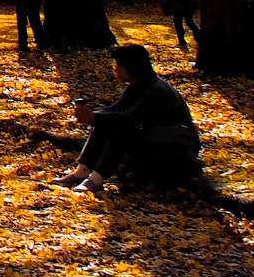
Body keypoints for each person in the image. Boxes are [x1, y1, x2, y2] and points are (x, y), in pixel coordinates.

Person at [55, 42, 204, 191]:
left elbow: (130, 118)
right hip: (156, 142)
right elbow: (114, 109)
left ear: (132, 68)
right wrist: (92, 115)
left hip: (175, 151)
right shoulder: (138, 85)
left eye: (119, 66)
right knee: (107, 123)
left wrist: (95, 117)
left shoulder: (157, 91)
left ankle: (96, 179)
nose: (116, 69)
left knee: (121, 129)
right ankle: (82, 172)